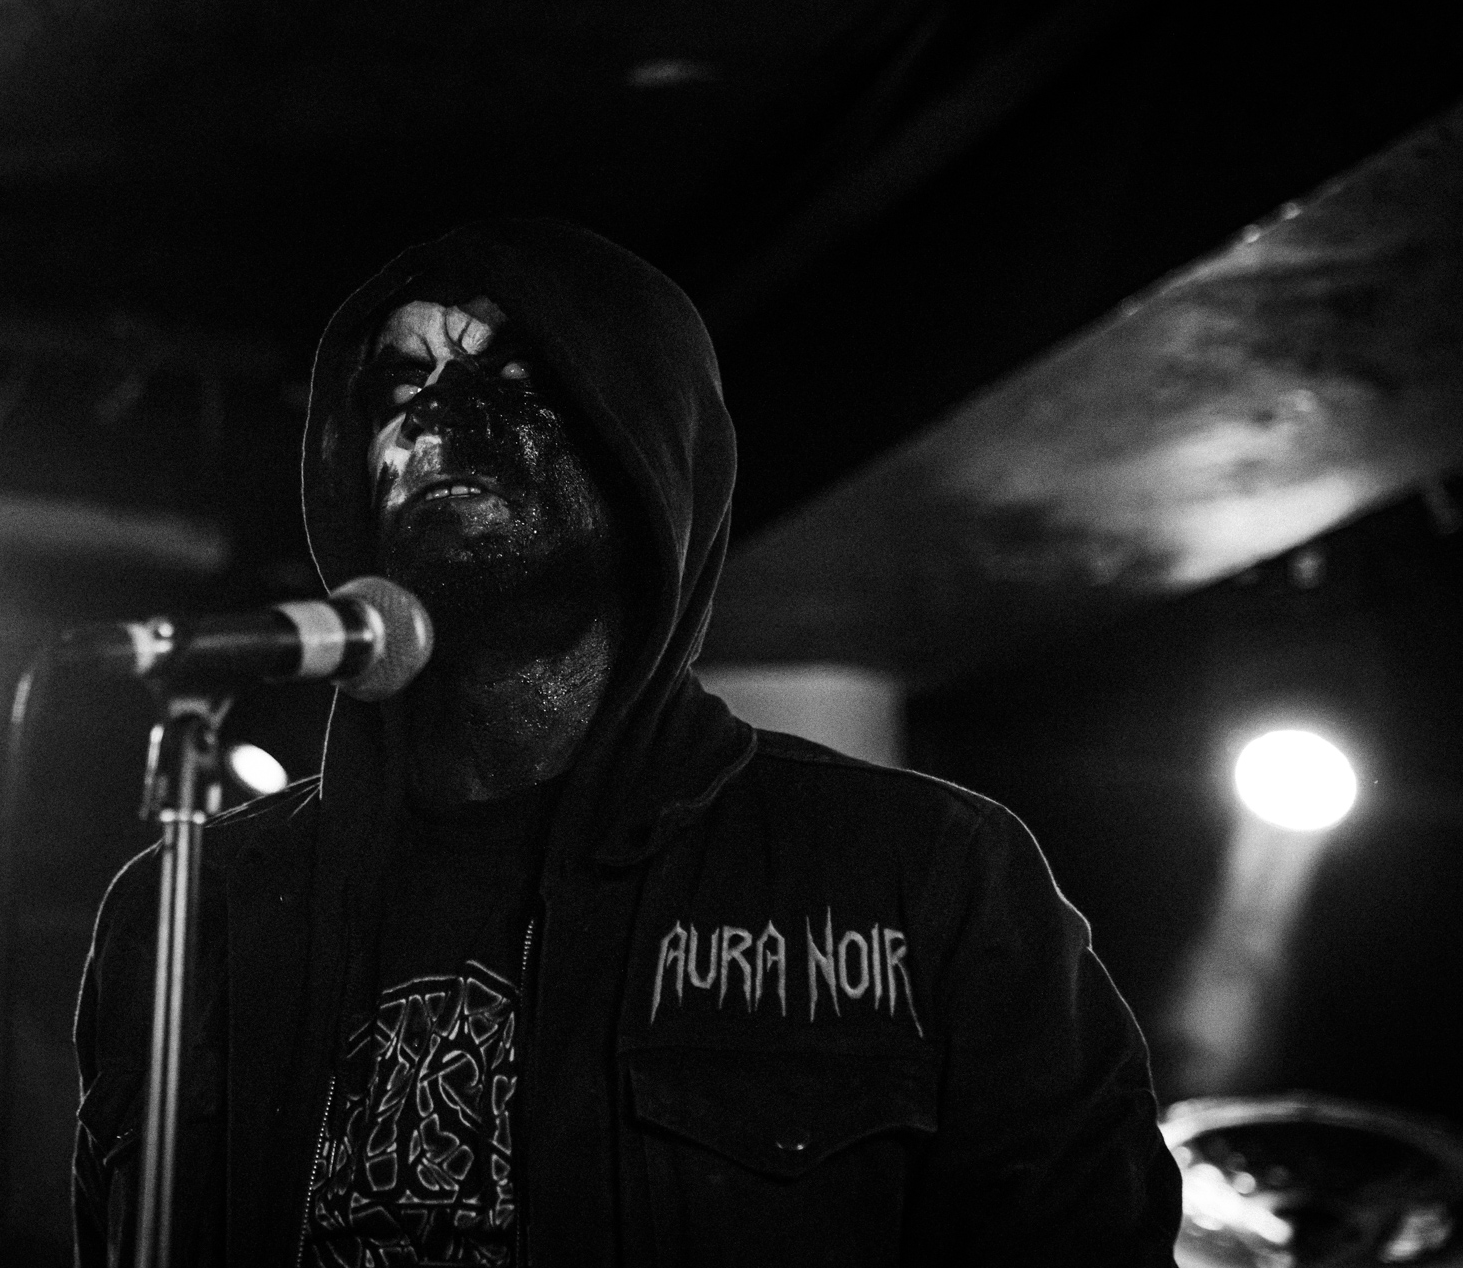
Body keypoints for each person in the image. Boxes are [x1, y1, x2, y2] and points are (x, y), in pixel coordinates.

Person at [71, 219, 1183, 1266]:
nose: (438, 412)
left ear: (648, 457)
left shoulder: (926, 877)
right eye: (401, 382)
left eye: (516, 378)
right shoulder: (189, 908)